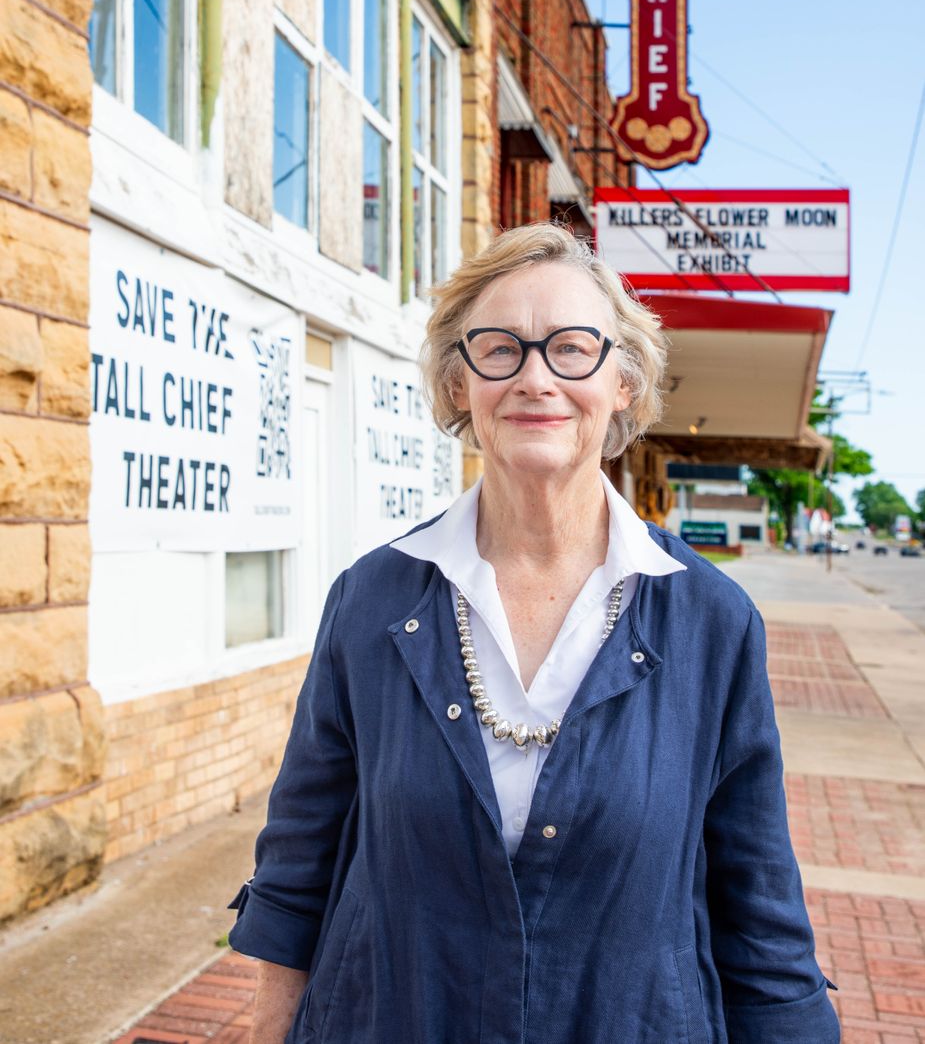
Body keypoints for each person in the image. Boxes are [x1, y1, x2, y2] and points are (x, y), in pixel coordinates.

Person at [228, 222, 840, 1043]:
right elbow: (302, 848)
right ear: (458, 384)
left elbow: (756, 900)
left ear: (621, 382)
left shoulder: (710, 621)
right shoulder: (370, 599)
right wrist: (270, 1023)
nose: (534, 377)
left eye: (571, 348)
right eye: (499, 348)